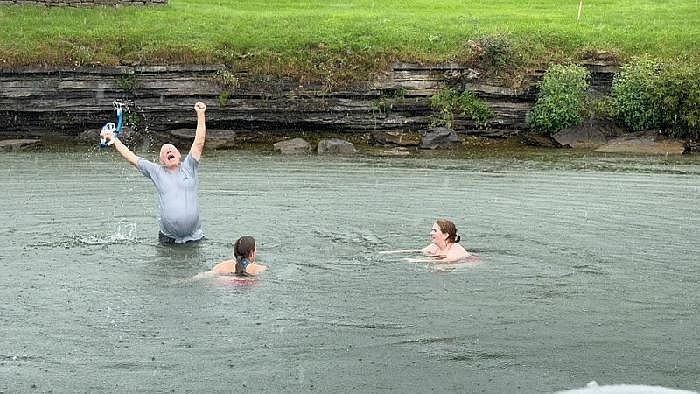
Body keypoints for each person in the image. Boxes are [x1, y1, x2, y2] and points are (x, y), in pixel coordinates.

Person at [101, 102, 208, 244]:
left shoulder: (190, 166)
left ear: (180, 155)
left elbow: (199, 142)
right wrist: (114, 140)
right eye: (165, 152)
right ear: (161, 161)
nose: (168, 151)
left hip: (195, 237)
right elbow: (131, 157)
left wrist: (201, 114)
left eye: (171, 149)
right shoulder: (156, 171)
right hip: (168, 240)